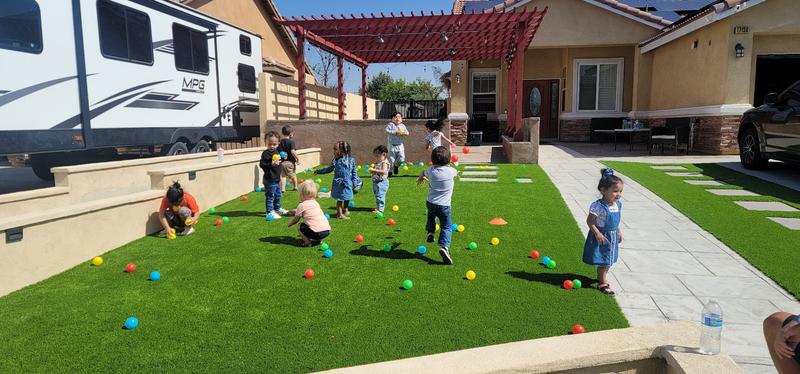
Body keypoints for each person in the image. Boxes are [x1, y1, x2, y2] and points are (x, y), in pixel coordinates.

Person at [582, 168, 624, 296]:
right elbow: (590, 221)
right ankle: (602, 283)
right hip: (602, 236)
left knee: (609, 259)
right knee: (604, 259)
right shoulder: (598, 206)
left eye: (620, 191)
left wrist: (618, 231)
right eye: (615, 191)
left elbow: (616, 221)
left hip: (612, 236)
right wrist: (597, 233)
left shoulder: (618, 205)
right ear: (603, 190)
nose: (618, 194)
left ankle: (602, 276)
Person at [417, 146, 458, 265]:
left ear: (433, 160)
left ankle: (430, 232)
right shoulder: (451, 171)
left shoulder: (430, 170)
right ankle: (444, 247)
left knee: (431, 215)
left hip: (430, 203)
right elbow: (456, 171)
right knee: (446, 227)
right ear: (448, 161)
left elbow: (423, 171)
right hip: (444, 206)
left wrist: (421, 177)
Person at [315, 141, 358, 219]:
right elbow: (329, 169)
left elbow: (354, 172)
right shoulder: (336, 160)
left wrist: (355, 181)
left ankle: (345, 209)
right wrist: (318, 171)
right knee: (340, 199)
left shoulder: (351, 160)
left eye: (335, 149)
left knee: (347, 197)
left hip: (348, 182)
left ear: (342, 150)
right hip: (338, 183)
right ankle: (339, 215)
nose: (334, 151)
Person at [287, 180, 331, 247]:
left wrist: (289, 224)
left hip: (316, 232)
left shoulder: (302, 205)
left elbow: (296, 220)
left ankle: (307, 242)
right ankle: (319, 240)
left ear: (302, 195)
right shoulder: (316, 203)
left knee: (299, 225)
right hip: (326, 231)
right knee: (317, 224)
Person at [259, 131, 289, 219]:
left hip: (276, 179)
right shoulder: (265, 153)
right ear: (265, 142)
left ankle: (277, 208)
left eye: (274, 144)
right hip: (269, 179)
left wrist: (283, 158)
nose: (272, 146)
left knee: (278, 195)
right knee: (270, 196)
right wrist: (271, 164)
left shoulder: (277, 152)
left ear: (278, 143)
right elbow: (262, 164)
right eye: (270, 144)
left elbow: (279, 162)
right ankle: (269, 212)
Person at [385, 111, 409, 176]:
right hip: (391, 146)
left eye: (399, 117)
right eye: (395, 117)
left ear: (401, 119)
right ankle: (390, 172)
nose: (397, 118)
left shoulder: (402, 126)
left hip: (400, 145)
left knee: (401, 159)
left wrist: (403, 133)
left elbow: (407, 133)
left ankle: (396, 166)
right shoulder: (390, 124)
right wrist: (394, 132)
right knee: (391, 160)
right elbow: (386, 131)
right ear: (392, 119)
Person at [368, 145, 390, 213]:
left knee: (380, 195)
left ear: (384, 154)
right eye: (375, 156)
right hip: (376, 182)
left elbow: (384, 171)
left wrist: (374, 170)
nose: (376, 158)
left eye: (378, 156)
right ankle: (378, 207)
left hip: (382, 182)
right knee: (377, 195)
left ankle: (380, 210)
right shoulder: (378, 162)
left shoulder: (384, 163)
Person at [278, 125, 299, 192]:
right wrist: (297, 159)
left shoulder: (280, 143)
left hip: (282, 163)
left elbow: (278, 152)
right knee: (293, 175)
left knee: (282, 176)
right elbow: (293, 151)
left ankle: (283, 189)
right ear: (291, 134)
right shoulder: (291, 142)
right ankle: (295, 186)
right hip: (290, 163)